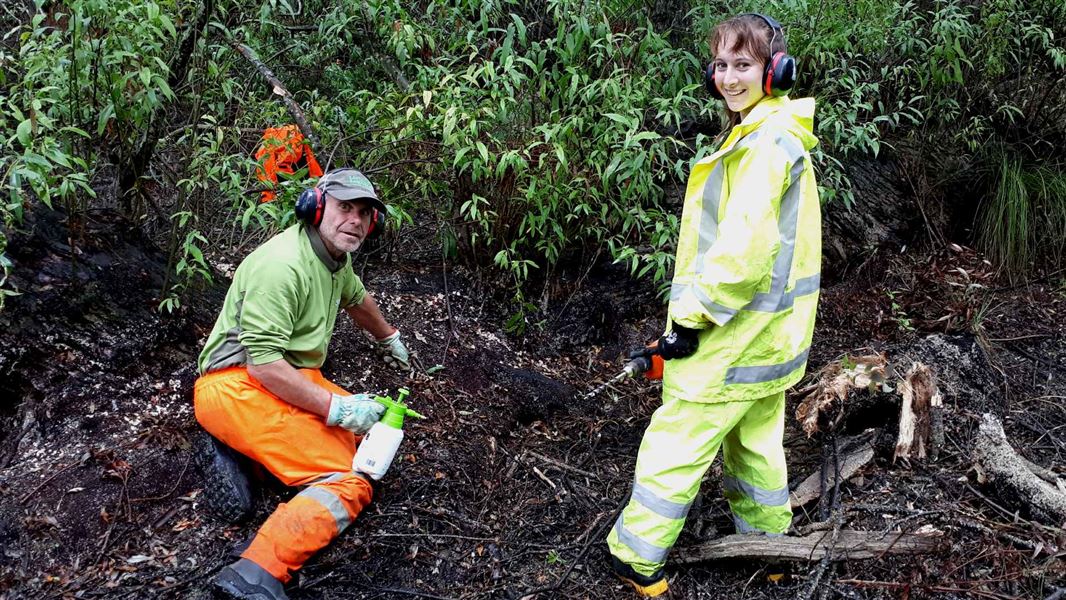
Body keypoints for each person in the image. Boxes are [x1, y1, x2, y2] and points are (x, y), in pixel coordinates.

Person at [606, 13, 821, 597]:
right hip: (769, 339)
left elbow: (743, 252)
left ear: (774, 71)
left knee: (677, 442)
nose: (728, 78)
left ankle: (634, 555)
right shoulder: (771, 134)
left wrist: (689, 323)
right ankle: (770, 548)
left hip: (730, 335)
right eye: (721, 65)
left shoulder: (764, 145)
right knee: (756, 446)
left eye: (743, 65)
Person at [193, 168, 413, 600]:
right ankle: (254, 572)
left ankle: (248, 459)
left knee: (372, 437)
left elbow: (358, 299)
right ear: (314, 208)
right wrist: (337, 409)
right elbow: (264, 368)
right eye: (344, 208)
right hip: (236, 385)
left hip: (287, 378)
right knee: (348, 479)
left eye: (365, 213)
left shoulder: (335, 261)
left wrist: (389, 337)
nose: (355, 220)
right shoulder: (282, 266)